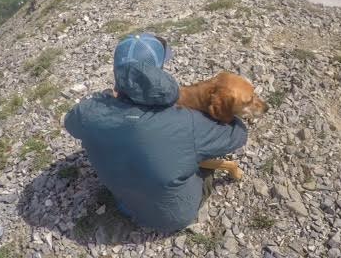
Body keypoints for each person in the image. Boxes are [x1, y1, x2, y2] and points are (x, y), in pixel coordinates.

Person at [64, 33, 248, 232]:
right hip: (171, 217)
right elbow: (238, 135)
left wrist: (105, 96)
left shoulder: (86, 112)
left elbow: (70, 123)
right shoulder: (185, 122)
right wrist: (222, 109)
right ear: (156, 72)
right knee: (194, 156)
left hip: (125, 202)